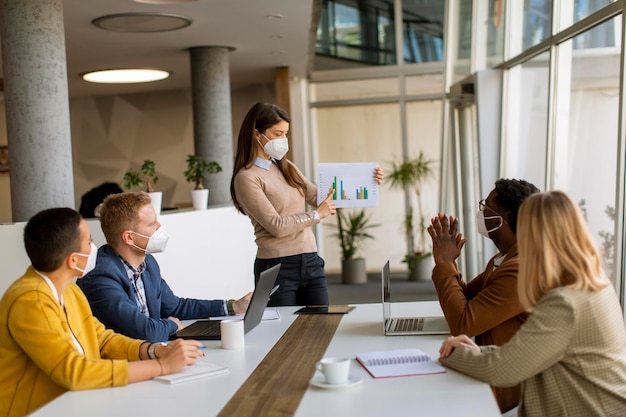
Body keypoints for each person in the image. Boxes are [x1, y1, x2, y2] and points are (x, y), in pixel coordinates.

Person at [0, 208, 203, 417]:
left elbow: (102, 339)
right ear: (72, 260)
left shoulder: (69, 290)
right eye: (89, 241)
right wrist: (161, 366)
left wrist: (153, 350)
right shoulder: (30, 300)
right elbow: (75, 372)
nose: (94, 248)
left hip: (76, 404)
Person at [439, 191, 626, 417]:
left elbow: (501, 370)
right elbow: (530, 352)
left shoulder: (565, 302)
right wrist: (478, 351)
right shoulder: (595, 283)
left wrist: (450, 354)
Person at [230, 102, 383, 306]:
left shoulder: (287, 167)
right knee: (285, 334)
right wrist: (316, 215)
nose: (283, 140)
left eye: (286, 134)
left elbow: (322, 199)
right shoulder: (247, 178)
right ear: (257, 134)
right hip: (277, 267)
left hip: (310, 261)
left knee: (321, 327)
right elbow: (276, 226)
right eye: (277, 134)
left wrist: (368, 181)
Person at [427, 178, 539, 413]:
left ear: (502, 221)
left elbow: (463, 323)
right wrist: (447, 263)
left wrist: (446, 263)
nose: (481, 213)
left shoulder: (521, 268)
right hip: (489, 364)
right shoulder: (504, 258)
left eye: (486, 209)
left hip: (507, 384)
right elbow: (466, 297)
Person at [78, 192, 252, 342]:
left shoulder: (148, 264)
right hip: (124, 367)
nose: (159, 227)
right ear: (129, 237)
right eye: (152, 224)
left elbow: (175, 307)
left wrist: (233, 306)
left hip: (154, 353)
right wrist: (172, 325)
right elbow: (143, 332)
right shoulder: (100, 275)